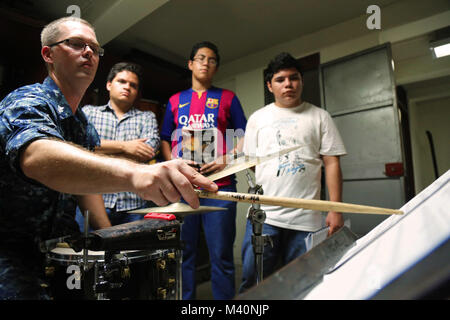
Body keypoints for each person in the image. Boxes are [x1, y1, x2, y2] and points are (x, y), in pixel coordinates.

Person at [0, 17, 217, 300]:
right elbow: (36, 155)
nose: (89, 52)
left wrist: (109, 238)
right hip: (14, 255)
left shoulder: (82, 124)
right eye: (76, 44)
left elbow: (82, 188)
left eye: (95, 48)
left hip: (62, 251)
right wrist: (135, 174)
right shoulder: (27, 100)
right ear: (48, 54)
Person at [239, 52, 347, 293]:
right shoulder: (258, 118)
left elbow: (331, 163)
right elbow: (252, 163)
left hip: (307, 220)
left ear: (301, 80)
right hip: (265, 218)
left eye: (293, 78)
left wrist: (335, 208)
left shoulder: (320, 116)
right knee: (254, 283)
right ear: (270, 85)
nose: (288, 84)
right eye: (280, 79)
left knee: (303, 284)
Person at [160, 41, 247, 300]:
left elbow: (244, 135)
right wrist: (172, 165)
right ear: (190, 64)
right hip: (183, 186)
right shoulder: (175, 101)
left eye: (211, 60)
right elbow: (165, 138)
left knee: (220, 253)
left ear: (216, 67)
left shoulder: (228, 98)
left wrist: (226, 159)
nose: (205, 63)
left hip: (221, 185)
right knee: (184, 252)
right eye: (200, 58)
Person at [75, 62, 160, 230]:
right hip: (92, 200)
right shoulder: (89, 112)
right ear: (109, 85)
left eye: (133, 85)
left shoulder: (146, 117)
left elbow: (149, 150)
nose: (127, 87)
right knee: (89, 255)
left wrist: (96, 153)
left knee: (130, 255)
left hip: (133, 204)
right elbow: (78, 144)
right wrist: (125, 147)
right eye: (122, 81)